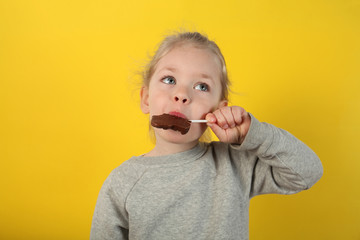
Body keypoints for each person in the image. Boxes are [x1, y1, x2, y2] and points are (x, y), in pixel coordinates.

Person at [90, 31, 323, 240]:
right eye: (169, 80)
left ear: (218, 110)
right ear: (145, 99)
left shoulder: (235, 164)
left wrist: (254, 133)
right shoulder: (122, 182)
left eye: (201, 86)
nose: (182, 94)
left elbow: (308, 172)